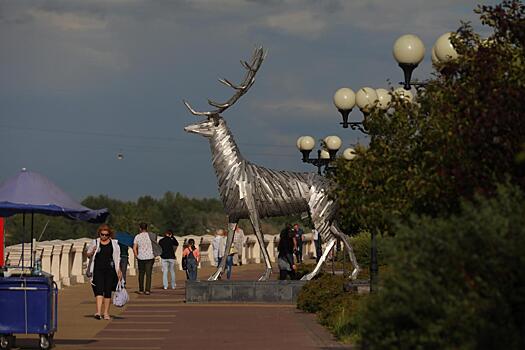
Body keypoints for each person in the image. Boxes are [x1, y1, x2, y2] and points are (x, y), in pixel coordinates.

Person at [86, 224, 122, 320]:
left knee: (107, 291)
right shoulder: (95, 243)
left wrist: (119, 271)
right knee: (99, 290)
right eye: (102, 234)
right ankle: (98, 312)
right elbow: (88, 254)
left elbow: (117, 259)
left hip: (110, 271)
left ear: (109, 235)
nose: (104, 236)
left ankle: (106, 313)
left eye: (106, 235)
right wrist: (92, 252)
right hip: (98, 270)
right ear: (99, 234)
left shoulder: (114, 244)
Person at [133, 222, 154, 295]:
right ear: (147, 228)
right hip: (150, 257)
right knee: (148, 274)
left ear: (140, 228)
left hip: (141, 257)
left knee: (141, 274)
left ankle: (141, 289)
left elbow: (134, 248)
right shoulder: (151, 236)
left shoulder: (137, 237)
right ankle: (147, 290)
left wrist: (136, 256)